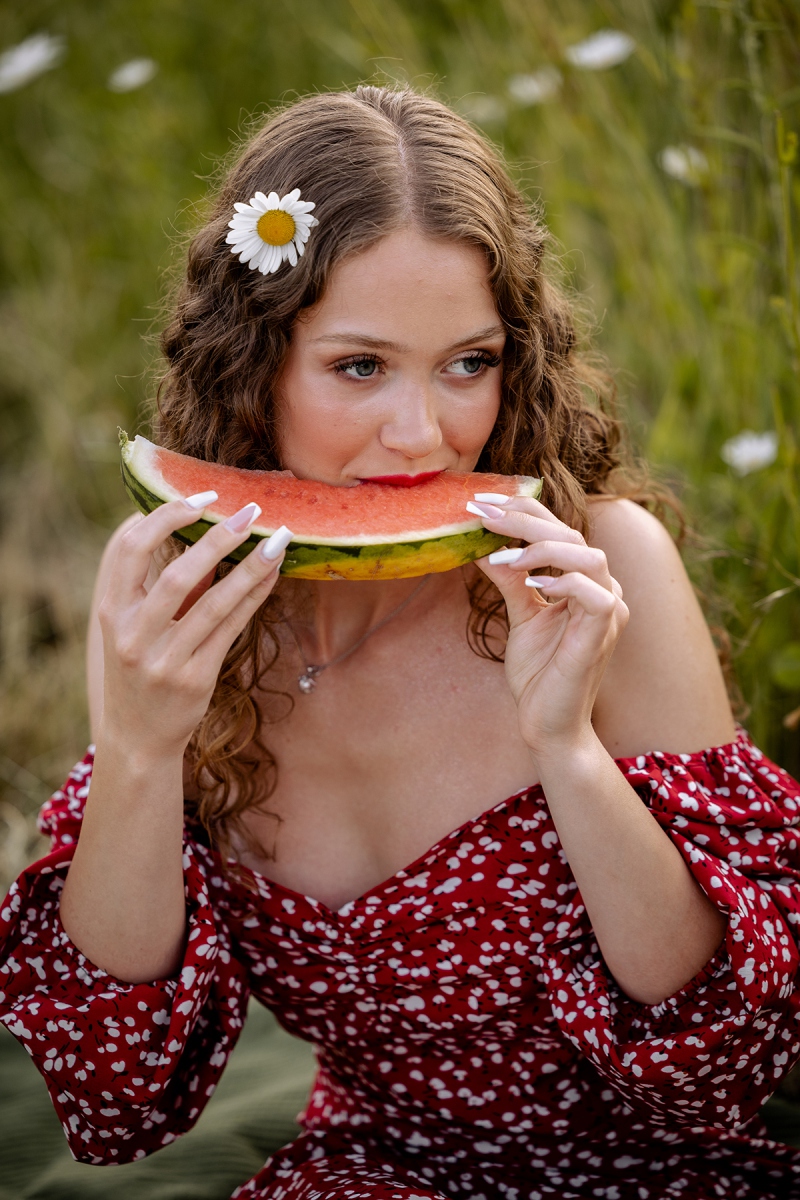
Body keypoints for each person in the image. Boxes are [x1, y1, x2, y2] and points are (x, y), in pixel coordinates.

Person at [2, 85, 800, 1200]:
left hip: (658, 1170)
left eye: (468, 362)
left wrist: (565, 747)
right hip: (374, 1171)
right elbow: (115, 1095)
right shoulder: (167, 604)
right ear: (250, 362)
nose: (424, 435)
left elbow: (721, 1071)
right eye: (360, 367)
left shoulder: (600, 564)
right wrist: (138, 753)